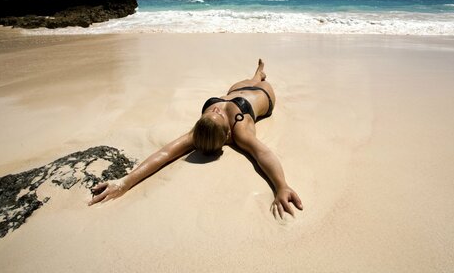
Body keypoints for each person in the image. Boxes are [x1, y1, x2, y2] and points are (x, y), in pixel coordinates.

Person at [88, 59, 303, 218]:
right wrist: (281, 186)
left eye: (211, 113)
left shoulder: (202, 130)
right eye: (215, 114)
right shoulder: (240, 131)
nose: (215, 110)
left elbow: (165, 152)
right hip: (263, 93)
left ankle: (258, 73)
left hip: (236, 89)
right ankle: (260, 79)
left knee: (249, 80)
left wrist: (124, 181)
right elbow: (262, 153)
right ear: (226, 134)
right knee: (257, 83)